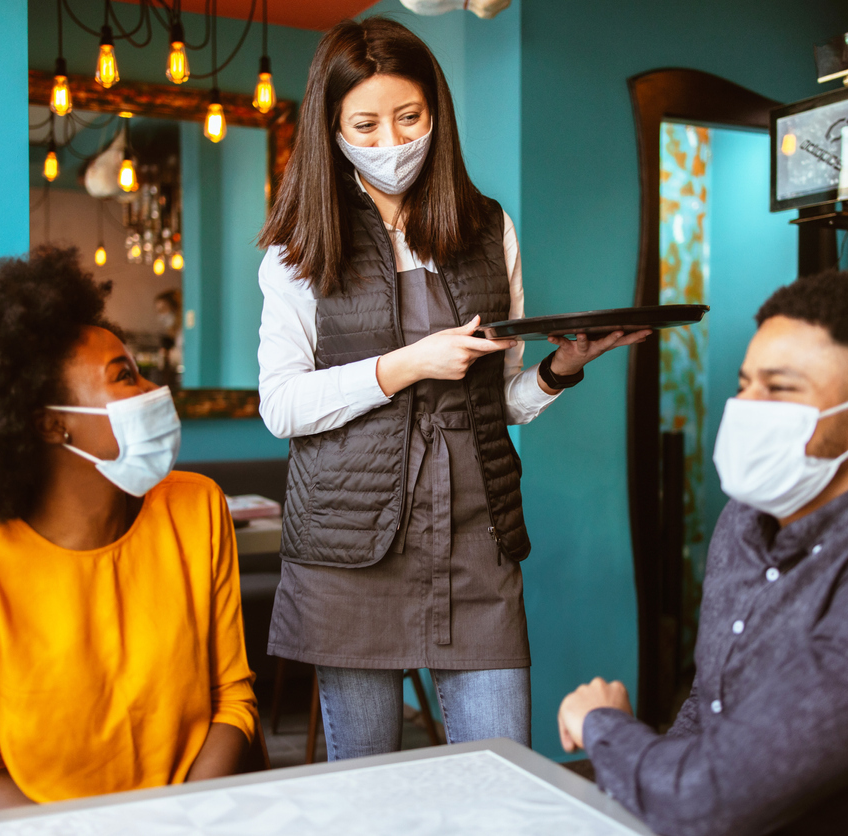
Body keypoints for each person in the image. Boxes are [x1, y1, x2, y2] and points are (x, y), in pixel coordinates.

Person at [255, 17, 649, 759]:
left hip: (476, 537)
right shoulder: (300, 244)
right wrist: (408, 364)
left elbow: (498, 403)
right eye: (364, 124)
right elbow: (281, 405)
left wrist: (563, 368)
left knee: (497, 783)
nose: (389, 141)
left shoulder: (486, 227)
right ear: (330, 127)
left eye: (408, 118)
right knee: (367, 792)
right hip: (350, 551)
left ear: (436, 112)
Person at [557, 271, 848, 835]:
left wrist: (603, 726)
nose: (746, 407)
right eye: (745, 383)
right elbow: (710, 704)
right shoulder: (745, 519)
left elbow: (712, 799)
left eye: (779, 389)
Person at [0, 246, 257, 815]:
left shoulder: (196, 508)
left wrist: (180, 819)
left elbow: (231, 700)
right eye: (124, 378)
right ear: (50, 424)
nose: (151, 390)